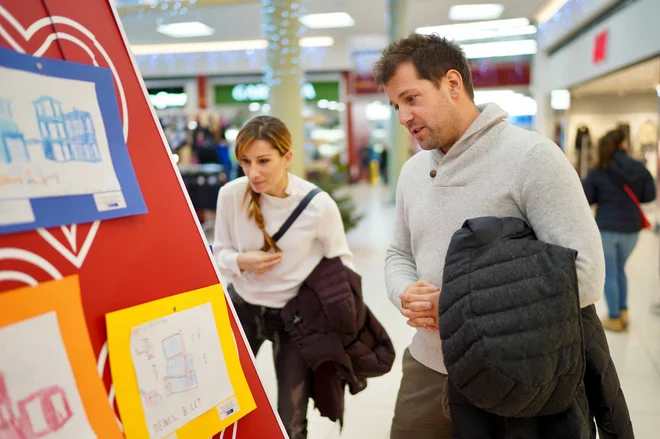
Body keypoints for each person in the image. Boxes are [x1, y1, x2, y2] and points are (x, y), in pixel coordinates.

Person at [373, 33, 605, 438]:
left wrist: (456, 308)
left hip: (510, 373)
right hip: (427, 365)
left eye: (411, 99)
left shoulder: (532, 158)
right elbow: (398, 253)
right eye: (396, 105)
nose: (402, 117)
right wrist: (405, 293)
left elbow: (583, 277)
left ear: (452, 83)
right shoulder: (412, 172)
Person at [211, 115, 354, 439]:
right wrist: (240, 260)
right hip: (241, 309)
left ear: (287, 157)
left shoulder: (317, 205)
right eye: (245, 161)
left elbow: (343, 264)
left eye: (263, 161)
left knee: (291, 418)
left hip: (294, 320)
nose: (253, 172)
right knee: (219, 400)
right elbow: (219, 254)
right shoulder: (231, 195)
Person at [583, 128, 656, 331]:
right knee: (621, 269)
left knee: (611, 272)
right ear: (623, 143)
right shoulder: (639, 168)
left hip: (607, 227)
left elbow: (586, 197)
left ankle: (615, 318)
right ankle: (624, 312)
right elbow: (649, 195)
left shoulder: (598, 170)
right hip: (632, 229)